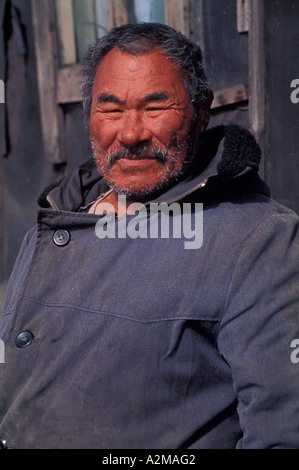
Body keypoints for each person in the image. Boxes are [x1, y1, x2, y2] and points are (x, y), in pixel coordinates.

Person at [0, 23, 298, 450]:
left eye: (155, 107)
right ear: (89, 115)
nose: (131, 133)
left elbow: (282, 431)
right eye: (111, 109)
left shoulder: (257, 241)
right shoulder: (55, 222)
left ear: (201, 114)